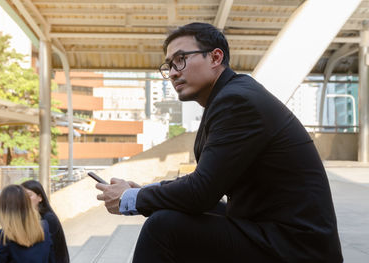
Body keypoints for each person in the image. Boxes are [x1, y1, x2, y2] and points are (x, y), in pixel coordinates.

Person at [95, 22, 343, 262]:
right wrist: (145, 192)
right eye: (168, 65)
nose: (172, 73)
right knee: (174, 213)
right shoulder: (231, 96)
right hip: (274, 231)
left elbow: (200, 192)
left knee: (164, 228)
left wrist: (132, 198)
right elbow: (206, 185)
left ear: (215, 58)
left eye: (181, 59)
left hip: (296, 247)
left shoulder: (237, 101)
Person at [0, 184, 55, 263]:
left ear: (3, 209)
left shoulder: (3, 236)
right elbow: (51, 259)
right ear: (28, 204)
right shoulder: (44, 226)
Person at [22, 180, 70, 263]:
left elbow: (45, 251)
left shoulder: (48, 218)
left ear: (40, 197)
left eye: (29, 195)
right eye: (22, 196)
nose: (25, 199)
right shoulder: (26, 218)